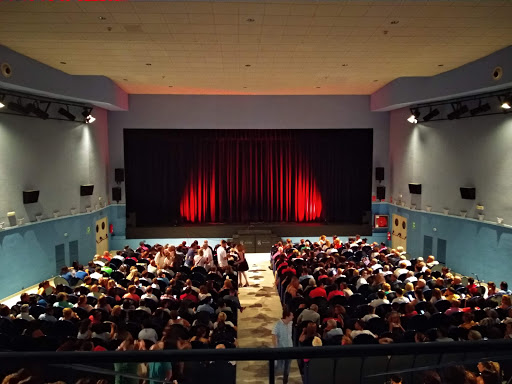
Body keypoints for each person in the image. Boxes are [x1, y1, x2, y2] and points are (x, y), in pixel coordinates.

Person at [272, 308, 294, 384]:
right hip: (281, 349)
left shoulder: (291, 323)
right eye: (292, 315)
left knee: (287, 368)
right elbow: (274, 335)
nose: (293, 317)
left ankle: (285, 381)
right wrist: (275, 347)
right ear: (287, 316)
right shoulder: (278, 324)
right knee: (277, 367)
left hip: (289, 348)